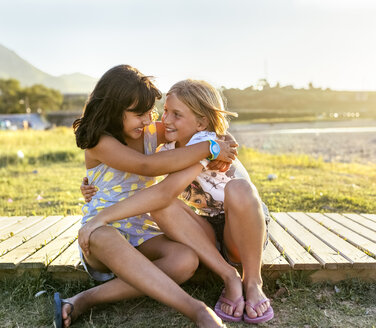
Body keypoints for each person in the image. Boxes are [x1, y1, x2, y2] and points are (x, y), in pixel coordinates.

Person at [55, 65, 238, 328]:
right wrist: (210, 148)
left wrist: (223, 140)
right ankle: (196, 310)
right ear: (112, 109)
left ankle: (86, 299)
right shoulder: (99, 142)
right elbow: (146, 166)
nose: (147, 120)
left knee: (185, 260)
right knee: (105, 235)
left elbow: (199, 130)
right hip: (101, 230)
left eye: (149, 112)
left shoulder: (150, 131)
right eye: (138, 114)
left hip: (143, 230)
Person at [82, 79, 274, 324]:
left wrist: (216, 144)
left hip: (241, 227)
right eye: (164, 112)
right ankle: (228, 278)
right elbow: (145, 168)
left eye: (174, 114)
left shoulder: (200, 141)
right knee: (163, 203)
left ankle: (253, 281)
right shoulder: (173, 147)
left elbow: (209, 134)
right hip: (202, 227)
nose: (160, 120)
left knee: (239, 189)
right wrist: (211, 150)